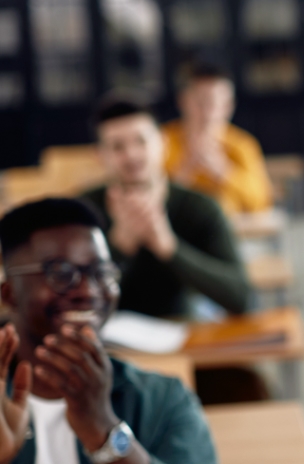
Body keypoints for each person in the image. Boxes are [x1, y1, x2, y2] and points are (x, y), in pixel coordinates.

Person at [0, 198, 216, 464]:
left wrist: (103, 429)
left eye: (101, 272)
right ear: (9, 294)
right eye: (61, 273)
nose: (88, 291)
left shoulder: (162, 400)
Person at [81, 95, 250, 319]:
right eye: (117, 146)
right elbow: (70, 299)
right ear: (99, 155)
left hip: (184, 337)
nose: (131, 155)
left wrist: (168, 246)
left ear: (163, 143)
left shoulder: (200, 206)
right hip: (107, 341)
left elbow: (240, 297)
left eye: (141, 141)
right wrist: (120, 245)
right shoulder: (82, 213)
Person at [162, 61, 273, 217]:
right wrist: (185, 170)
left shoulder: (242, 144)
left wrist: (223, 171)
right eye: (200, 102)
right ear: (182, 102)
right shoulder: (161, 141)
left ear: (229, 107)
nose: (207, 112)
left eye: (214, 103)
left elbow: (261, 201)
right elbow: (151, 199)